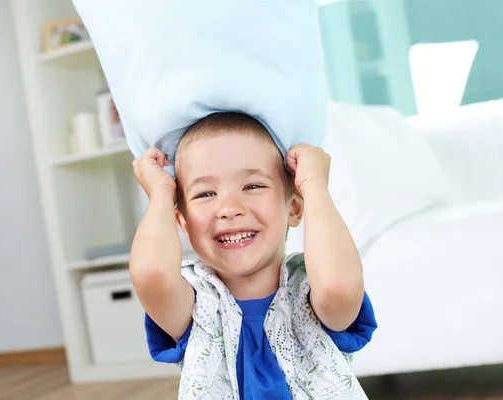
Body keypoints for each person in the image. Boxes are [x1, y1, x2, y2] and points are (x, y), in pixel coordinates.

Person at [130, 112, 377, 399]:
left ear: (295, 209)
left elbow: (339, 286)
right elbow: (151, 274)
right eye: (205, 194)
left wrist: (314, 185)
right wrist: (160, 192)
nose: (229, 207)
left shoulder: (312, 291)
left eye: (253, 186)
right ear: (183, 224)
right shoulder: (195, 308)